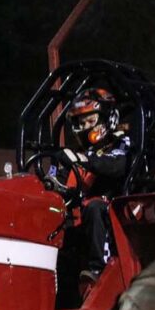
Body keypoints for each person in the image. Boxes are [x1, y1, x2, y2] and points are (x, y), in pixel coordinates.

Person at [62, 87, 132, 288]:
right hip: (80, 214)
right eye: (80, 123)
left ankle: (98, 271)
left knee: (95, 208)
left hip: (112, 210)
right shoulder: (79, 154)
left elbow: (117, 165)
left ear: (107, 118)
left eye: (90, 121)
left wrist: (85, 160)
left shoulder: (120, 143)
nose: (85, 127)